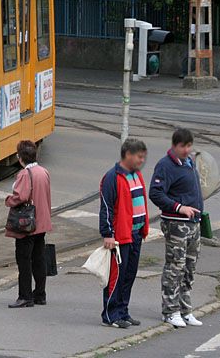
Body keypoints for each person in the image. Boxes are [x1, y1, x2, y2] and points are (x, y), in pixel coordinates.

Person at [149, 128, 205, 328]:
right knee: (175, 267)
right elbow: (155, 193)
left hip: (193, 224)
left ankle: (185, 309)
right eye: (183, 146)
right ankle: (170, 311)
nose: (187, 150)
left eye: (189, 146)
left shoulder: (189, 163)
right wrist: (179, 207)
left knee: (189, 268)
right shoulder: (166, 166)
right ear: (175, 145)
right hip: (176, 223)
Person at [99, 138, 149, 329]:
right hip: (120, 237)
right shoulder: (112, 177)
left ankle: (123, 311)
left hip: (135, 234)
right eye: (139, 157)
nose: (141, 161)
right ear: (127, 155)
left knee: (129, 275)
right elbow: (106, 208)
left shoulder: (136, 175)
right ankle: (110, 315)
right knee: (116, 277)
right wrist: (108, 234)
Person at [5, 140, 52, 308]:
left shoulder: (25, 174)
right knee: (39, 258)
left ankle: (25, 296)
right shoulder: (43, 171)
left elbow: (21, 197)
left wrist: (9, 200)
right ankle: (40, 294)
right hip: (42, 221)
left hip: (27, 224)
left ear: (20, 157)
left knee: (24, 259)